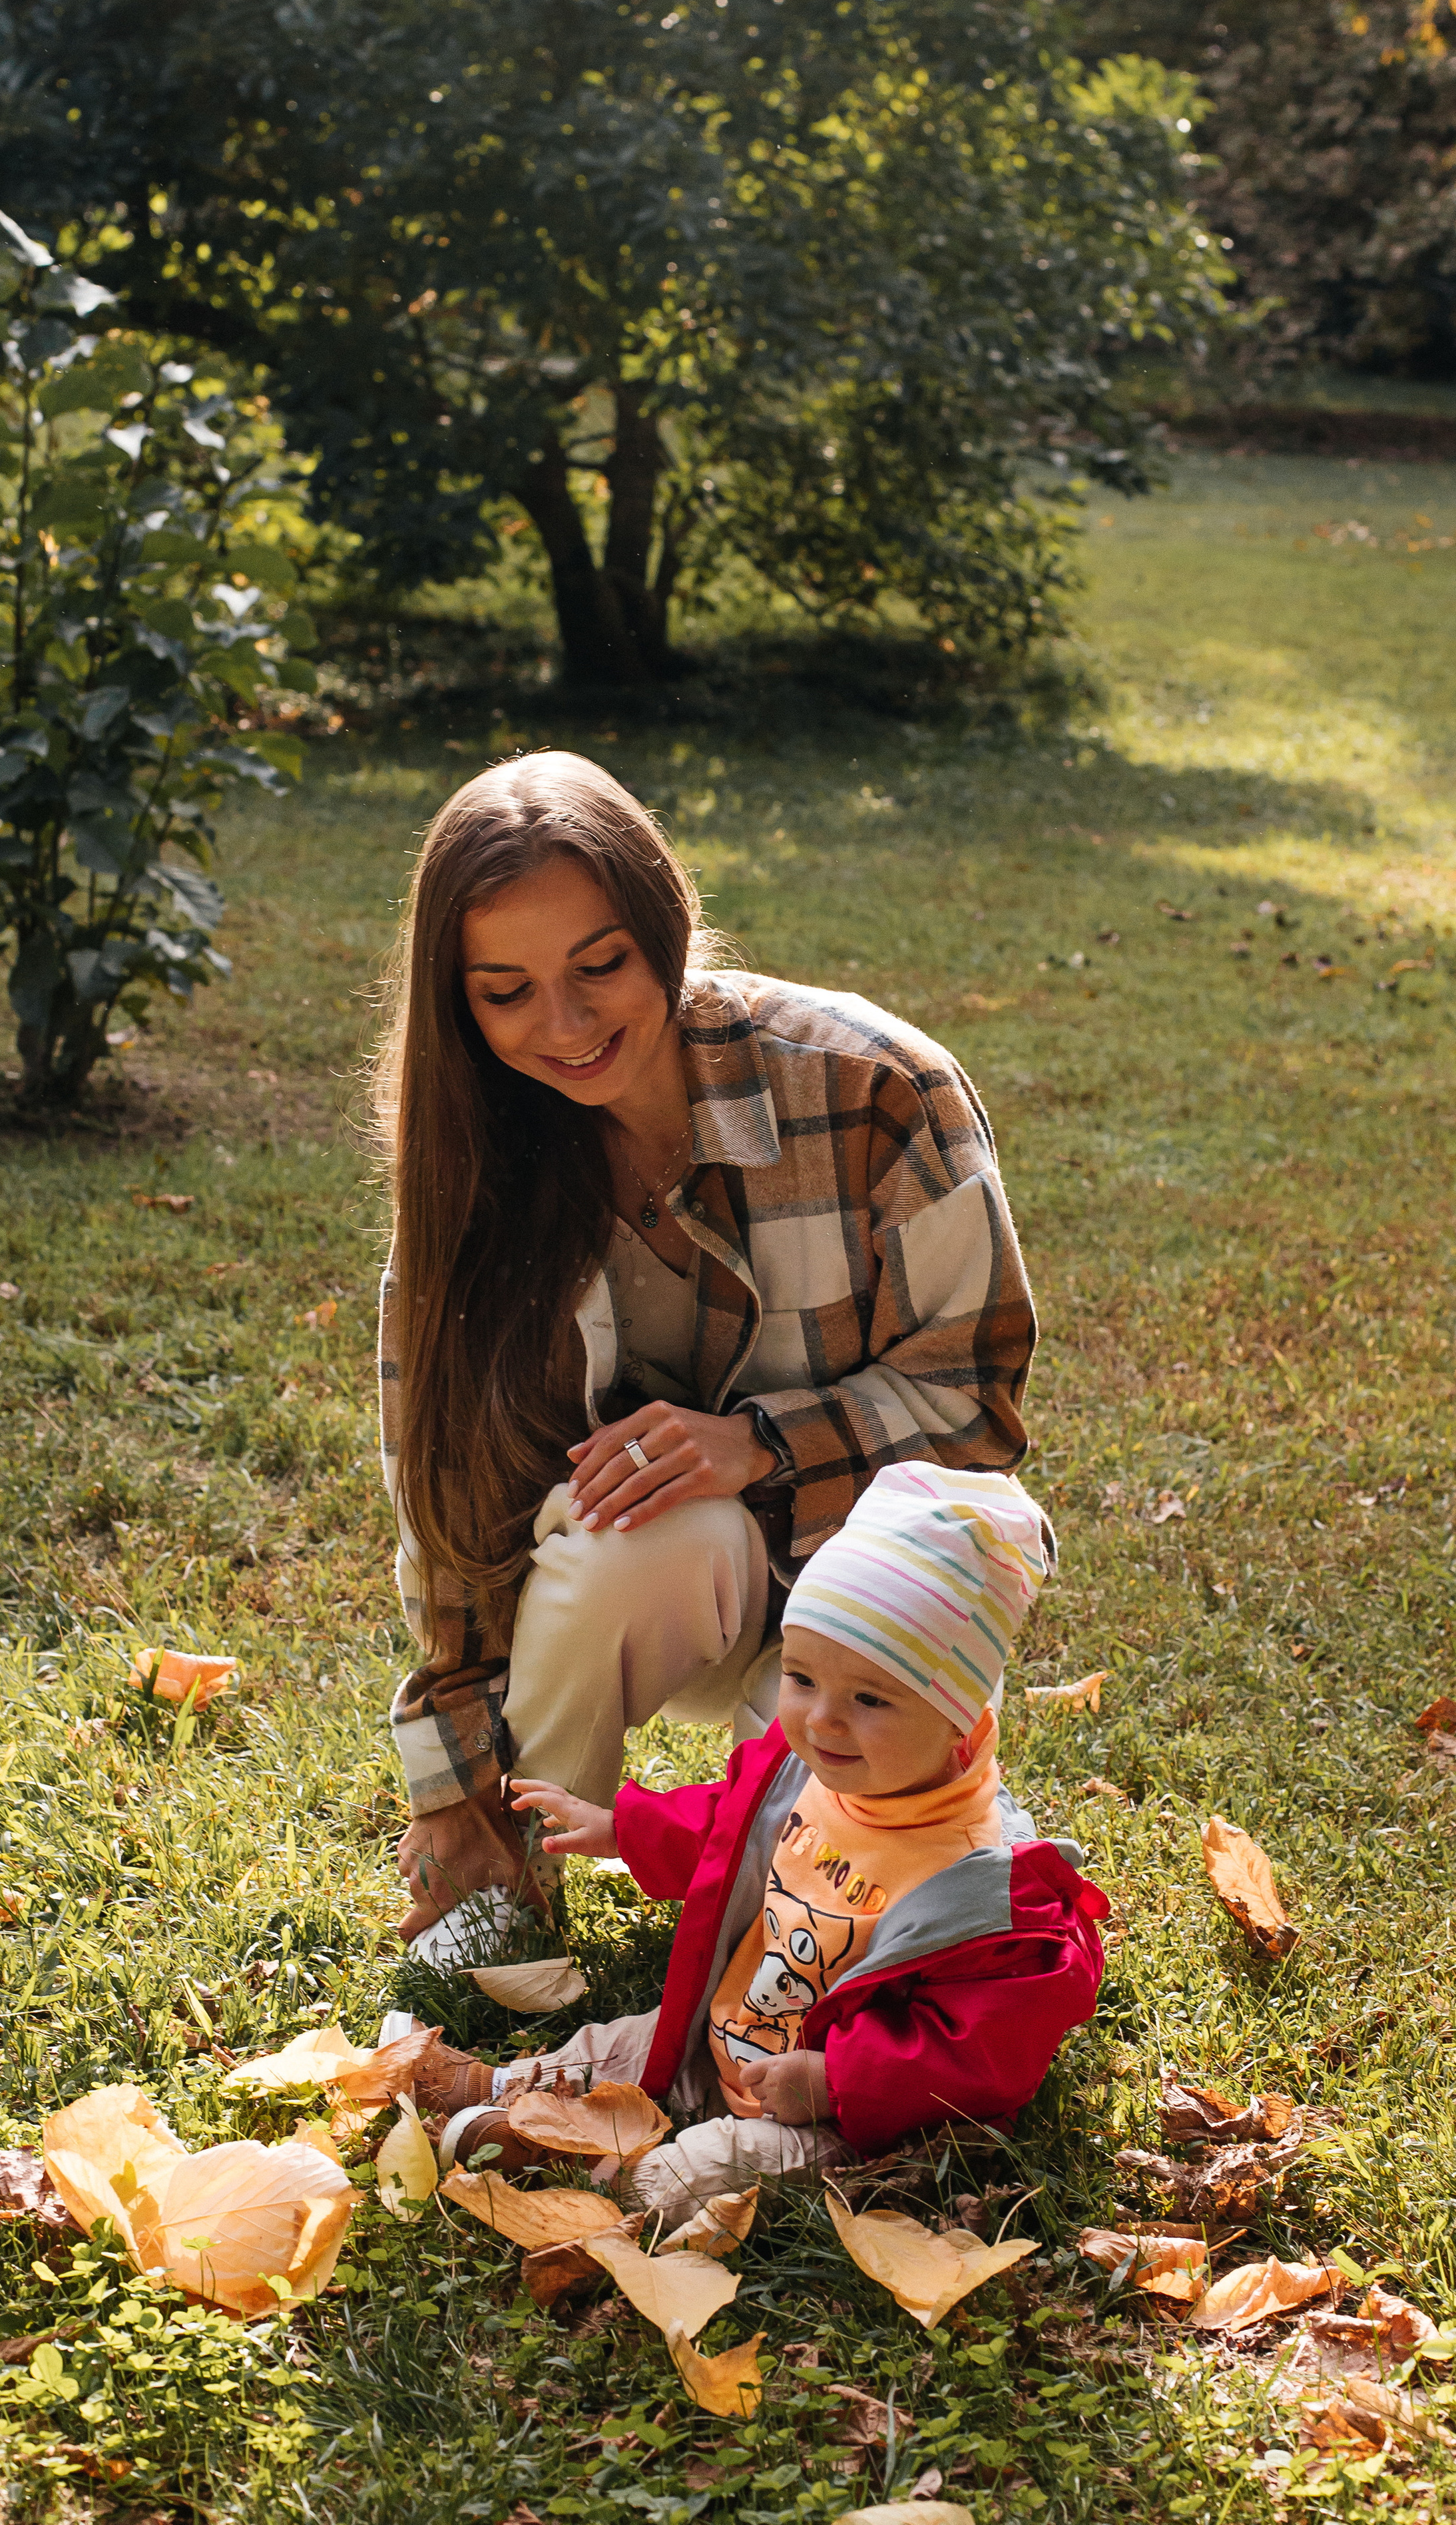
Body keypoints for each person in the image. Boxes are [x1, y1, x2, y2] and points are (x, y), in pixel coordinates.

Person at [374, 751, 1038, 1960]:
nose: (566, 1026)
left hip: (872, 1583)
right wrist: (455, 1796)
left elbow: (977, 1406)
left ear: (663, 926)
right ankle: (516, 1881)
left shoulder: (880, 1089)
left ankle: (898, 1830)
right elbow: (452, 1518)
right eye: (506, 991)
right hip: (670, 1582)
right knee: (615, 1523)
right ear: (459, 1002)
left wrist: (755, 1445)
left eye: (601, 966)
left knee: (825, 1943)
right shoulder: (470, 1175)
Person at [411, 1462, 1110, 2229]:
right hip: (726, 2031)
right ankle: (494, 2094)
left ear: (957, 1718)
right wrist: (626, 1828)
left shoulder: (990, 1895)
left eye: (869, 1698)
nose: (821, 1721)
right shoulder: (805, 1770)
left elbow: (973, 2055)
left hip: (829, 2117)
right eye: (802, 1678)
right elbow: (729, 1826)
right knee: (622, 2047)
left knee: (709, 2172)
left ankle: (608, 2181)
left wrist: (835, 2081)